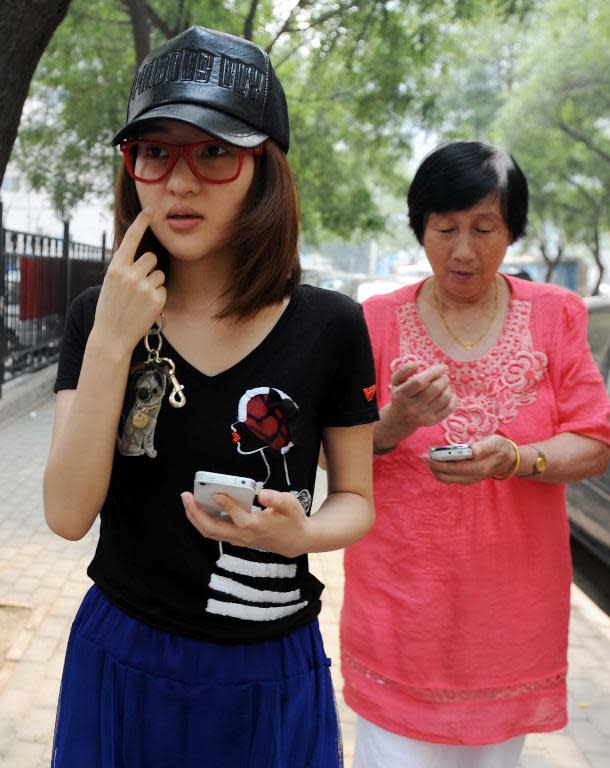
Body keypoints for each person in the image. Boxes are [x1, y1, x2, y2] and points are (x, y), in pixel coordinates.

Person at [44, 26, 378, 768]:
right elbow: (66, 515)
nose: (179, 181)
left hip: (265, 662)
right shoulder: (96, 317)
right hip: (122, 653)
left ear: (264, 169)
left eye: (215, 151)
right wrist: (111, 340)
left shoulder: (330, 325)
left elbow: (357, 497)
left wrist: (302, 537)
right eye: (155, 152)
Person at [340, 140, 610, 768]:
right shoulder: (374, 322)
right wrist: (396, 421)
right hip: (400, 619)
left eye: (484, 228)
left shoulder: (557, 316)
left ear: (511, 230)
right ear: (421, 229)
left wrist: (515, 459)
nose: (464, 249)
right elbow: (331, 455)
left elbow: (594, 443)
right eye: (446, 228)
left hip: (508, 623)